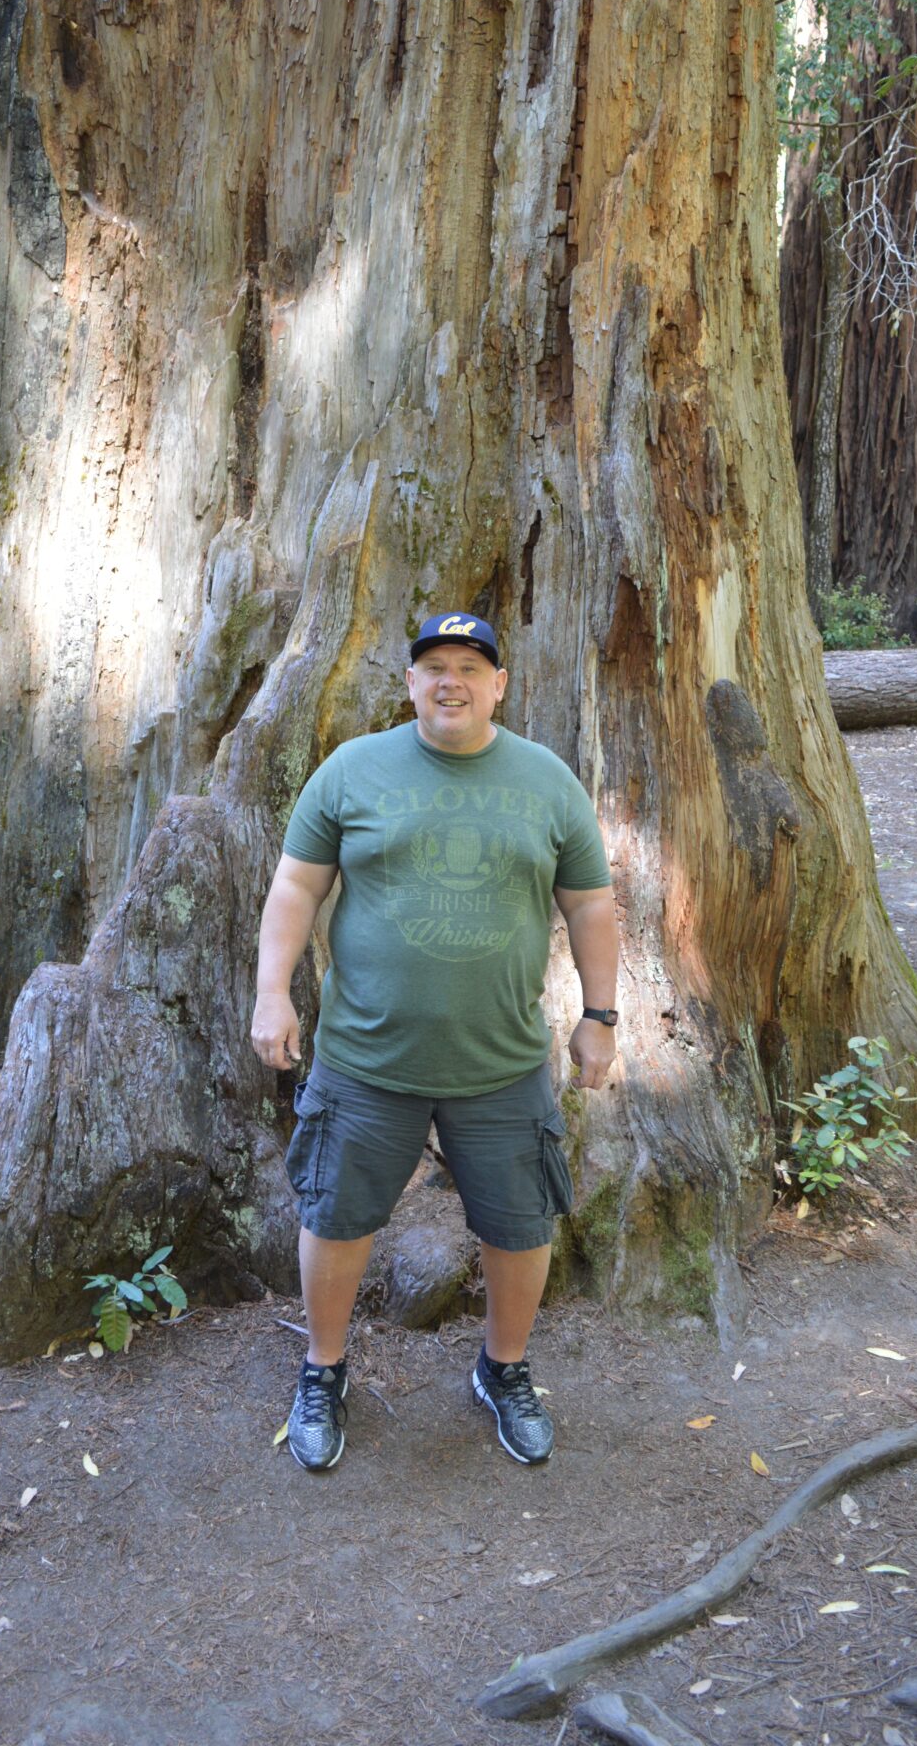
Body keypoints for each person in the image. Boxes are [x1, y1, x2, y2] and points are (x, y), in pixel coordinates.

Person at [251, 612, 619, 1471]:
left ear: (499, 685)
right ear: (411, 683)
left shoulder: (546, 781)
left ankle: (503, 1368)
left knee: (520, 1225)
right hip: (365, 1057)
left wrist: (600, 1016)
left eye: (470, 667)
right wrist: (272, 994)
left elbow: (590, 904)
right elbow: (296, 887)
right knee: (335, 1217)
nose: (451, 681)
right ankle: (323, 1370)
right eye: (435, 667)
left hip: (501, 1059)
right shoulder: (353, 770)